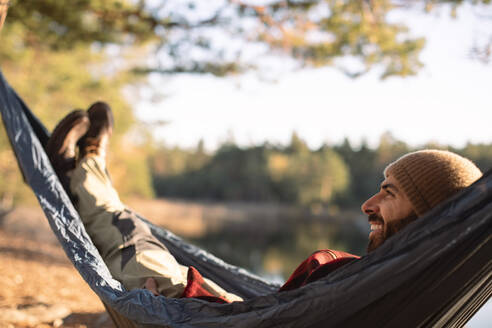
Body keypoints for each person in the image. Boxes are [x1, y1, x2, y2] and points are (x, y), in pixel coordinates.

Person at [46, 102, 483, 302]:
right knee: (135, 229)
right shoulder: (389, 282)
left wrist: (181, 303)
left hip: (197, 311)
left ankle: (82, 167)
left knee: (130, 235)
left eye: (388, 193)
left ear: (429, 215)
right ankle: (86, 166)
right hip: (234, 309)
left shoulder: (389, 289)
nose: (367, 204)